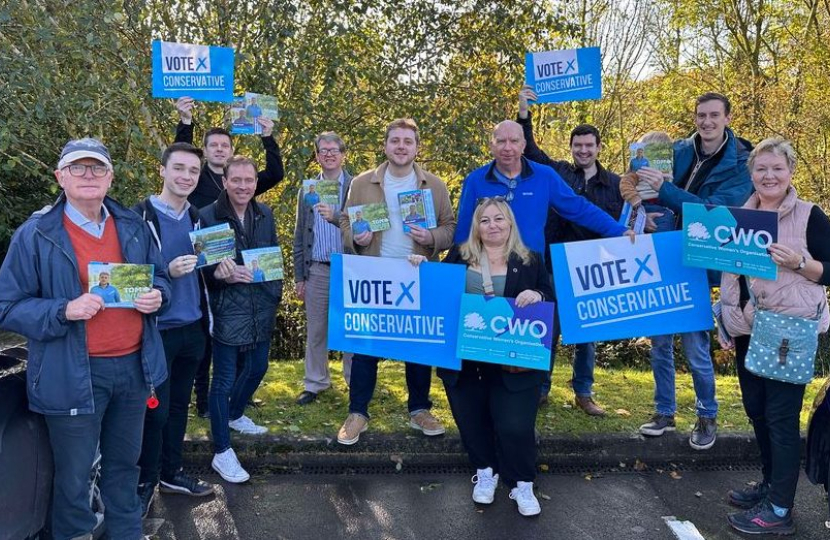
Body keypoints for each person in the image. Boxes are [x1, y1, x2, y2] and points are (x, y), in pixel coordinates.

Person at [0, 138, 170, 540]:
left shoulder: (133, 226)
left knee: (124, 469)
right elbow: (7, 305)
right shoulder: (36, 234)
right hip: (71, 374)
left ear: (111, 177)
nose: (89, 175)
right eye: (78, 168)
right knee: (74, 481)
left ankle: (126, 534)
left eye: (97, 168)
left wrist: (158, 295)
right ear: (61, 177)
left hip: (133, 370)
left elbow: (159, 277)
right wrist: (63, 310)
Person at [456, 117, 631, 414]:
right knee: (485, 345)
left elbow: (579, 209)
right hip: (486, 273)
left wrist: (617, 231)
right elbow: (463, 232)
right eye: (501, 141)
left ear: (524, 144)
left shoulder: (545, 176)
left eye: (514, 141)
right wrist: (453, 273)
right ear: (492, 144)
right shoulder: (476, 180)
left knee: (528, 351)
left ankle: (525, 411)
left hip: (528, 274)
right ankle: (486, 414)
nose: (508, 147)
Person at [719, 137, 830, 535]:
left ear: (791, 172)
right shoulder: (736, 217)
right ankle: (769, 486)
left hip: (788, 331)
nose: (769, 176)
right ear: (751, 174)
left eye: (776, 169)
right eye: (761, 169)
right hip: (749, 329)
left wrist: (801, 262)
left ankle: (780, 509)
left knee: (782, 419)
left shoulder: (809, 216)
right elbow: (728, 272)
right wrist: (725, 320)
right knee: (759, 412)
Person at [635, 92, 753, 451]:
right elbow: (644, 190)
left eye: (714, 115)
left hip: (699, 260)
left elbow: (715, 211)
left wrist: (665, 191)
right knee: (659, 341)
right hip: (663, 253)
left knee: (695, 345)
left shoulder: (742, 162)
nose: (707, 122)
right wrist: (644, 213)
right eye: (701, 115)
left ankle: (707, 414)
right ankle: (664, 411)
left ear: (728, 118)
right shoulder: (678, 148)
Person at [337, 118, 456, 445]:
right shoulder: (361, 183)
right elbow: (346, 221)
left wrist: (430, 236)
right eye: (395, 141)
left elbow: (450, 228)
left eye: (408, 141)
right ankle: (357, 412)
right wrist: (356, 239)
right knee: (365, 348)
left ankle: (419, 409)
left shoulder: (434, 186)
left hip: (417, 275)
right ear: (386, 145)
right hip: (374, 275)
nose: (401, 146)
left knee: (417, 347)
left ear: (417, 148)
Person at [437, 199, 554, 516]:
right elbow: (435, 291)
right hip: (465, 361)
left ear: (510, 223)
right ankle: (486, 472)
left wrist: (539, 295)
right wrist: (418, 267)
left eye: (499, 218)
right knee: (471, 422)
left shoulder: (530, 260)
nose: (492, 225)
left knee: (514, 425)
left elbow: (551, 296)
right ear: (476, 226)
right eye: (485, 220)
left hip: (514, 363)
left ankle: (522, 483)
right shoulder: (459, 256)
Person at [174, 96, 285, 418]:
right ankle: (206, 401)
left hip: (240, 275)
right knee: (206, 342)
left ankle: (234, 399)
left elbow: (275, 173)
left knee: (236, 345)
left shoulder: (243, 183)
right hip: (204, 264)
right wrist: (185, 123)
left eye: (225, 145)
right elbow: (179, 159)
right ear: (205, 151)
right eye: (214, 146)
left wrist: (267, 136)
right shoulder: (194, 179)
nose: (220, 150)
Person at [517, 87, 625, 413]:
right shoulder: (557, 172)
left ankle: (584, 393)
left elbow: (627, 218)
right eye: (577, 145)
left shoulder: (617, 184)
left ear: (598, 148)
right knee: (547, 326)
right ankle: (540, 387)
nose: (583, 150)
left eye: (588, 145)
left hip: (592, 267)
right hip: (552, 261)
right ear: (571, 148)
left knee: (586, 334)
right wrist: (524, 113)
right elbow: (530, 150)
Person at [133, 142, 214, 517]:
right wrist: (169, 270)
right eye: (178, 168)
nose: (185, 177)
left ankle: (171, 473)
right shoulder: (139, 218)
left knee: (179, 407)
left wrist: (220, 268)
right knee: (156, 411)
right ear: (162, 170)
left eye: (193, 171)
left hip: (192, 327)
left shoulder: (197, 217)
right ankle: (144, 482)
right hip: (156, 331)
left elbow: (208, 267)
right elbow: (128, 277)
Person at [200, 155, 283, 483]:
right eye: (237, 180)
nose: (244, 186)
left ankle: (235, 414)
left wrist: (274, 292)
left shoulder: (265, 214)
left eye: (249, 180)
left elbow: (273, 255)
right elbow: (203, 270)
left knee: (258, 366)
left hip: (260, 306)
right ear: (225, 181)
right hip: (226, 309)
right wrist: (219, 276)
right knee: (221, 380)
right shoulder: (208, 216)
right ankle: (222, 451)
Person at [292, 132, 354, 406]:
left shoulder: (357, 186)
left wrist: (337, 217)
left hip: (351, 268)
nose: (329, 154)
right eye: (323, 150)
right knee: (316, 330)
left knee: (351, 329)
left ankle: (355, 381)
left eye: (334, 150)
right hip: (317, 268)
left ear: (343, 154)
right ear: (317, 155)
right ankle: (315, 383)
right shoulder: (307, 190)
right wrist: (299, 277)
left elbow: (368, 229)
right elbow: (298, 237)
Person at [619, 131, 679, 234]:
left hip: (662, 205)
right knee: (665, 218)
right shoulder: (637, 172)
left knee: (668, 218)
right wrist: (634, 199)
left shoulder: (671, 171)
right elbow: (625, 184)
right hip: (641, 205)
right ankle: (661, 247)